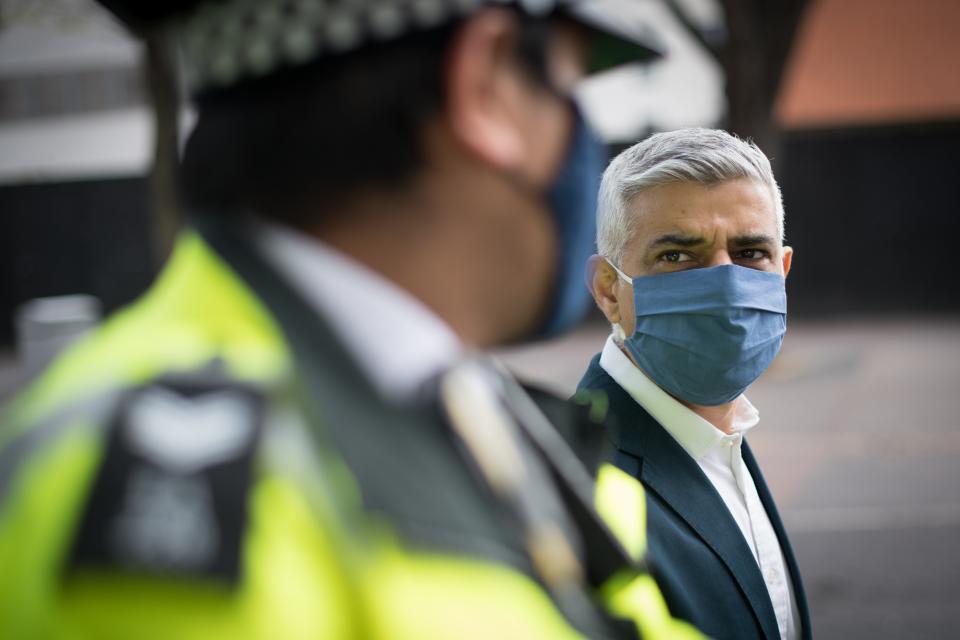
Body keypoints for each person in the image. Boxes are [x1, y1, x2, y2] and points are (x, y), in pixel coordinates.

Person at [0, 1, 701, 638]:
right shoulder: (196, 488)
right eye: (568, 84)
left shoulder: (443, 393)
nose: (583, 136)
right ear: (484, 85)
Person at [579, 128, 812, 640]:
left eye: (751, 253)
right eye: (677, 257)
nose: (727, 285)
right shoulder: (578, 480)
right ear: (609, 291)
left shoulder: (721, 431)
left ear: (783, 270)